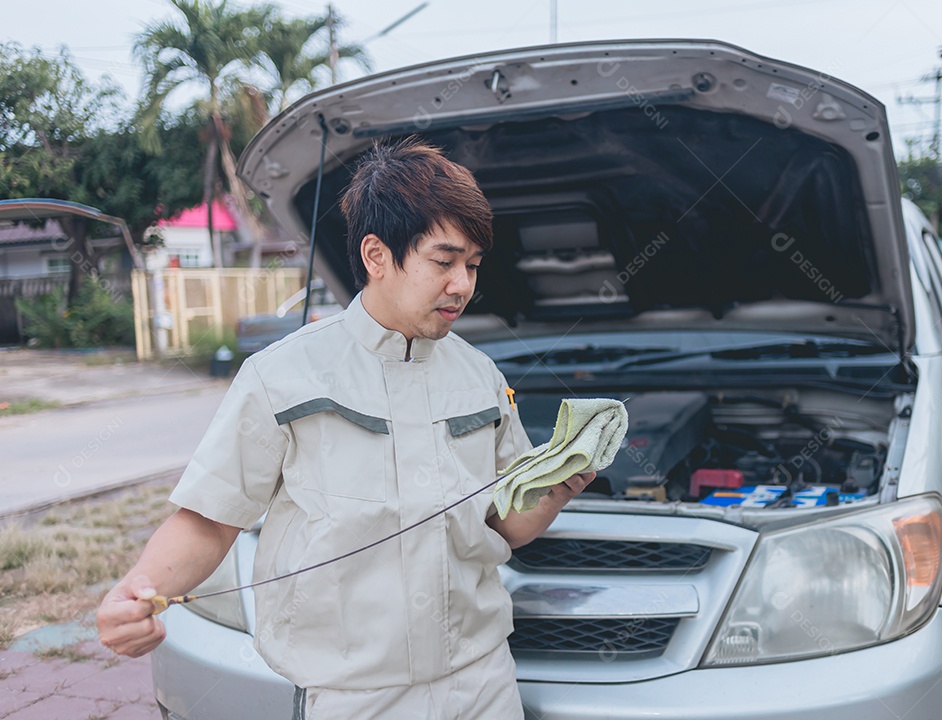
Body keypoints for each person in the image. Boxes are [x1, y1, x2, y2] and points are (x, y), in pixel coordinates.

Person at [96, 137, 596, 719]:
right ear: (377, 256)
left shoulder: (481, 376)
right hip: (355, 697)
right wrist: (138, 589)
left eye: (473, 265)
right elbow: (211, 518)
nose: (463, 284)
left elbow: (503, 526)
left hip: (483, 682)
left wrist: (556, 489)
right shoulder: (282, 376)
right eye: (444, 261)